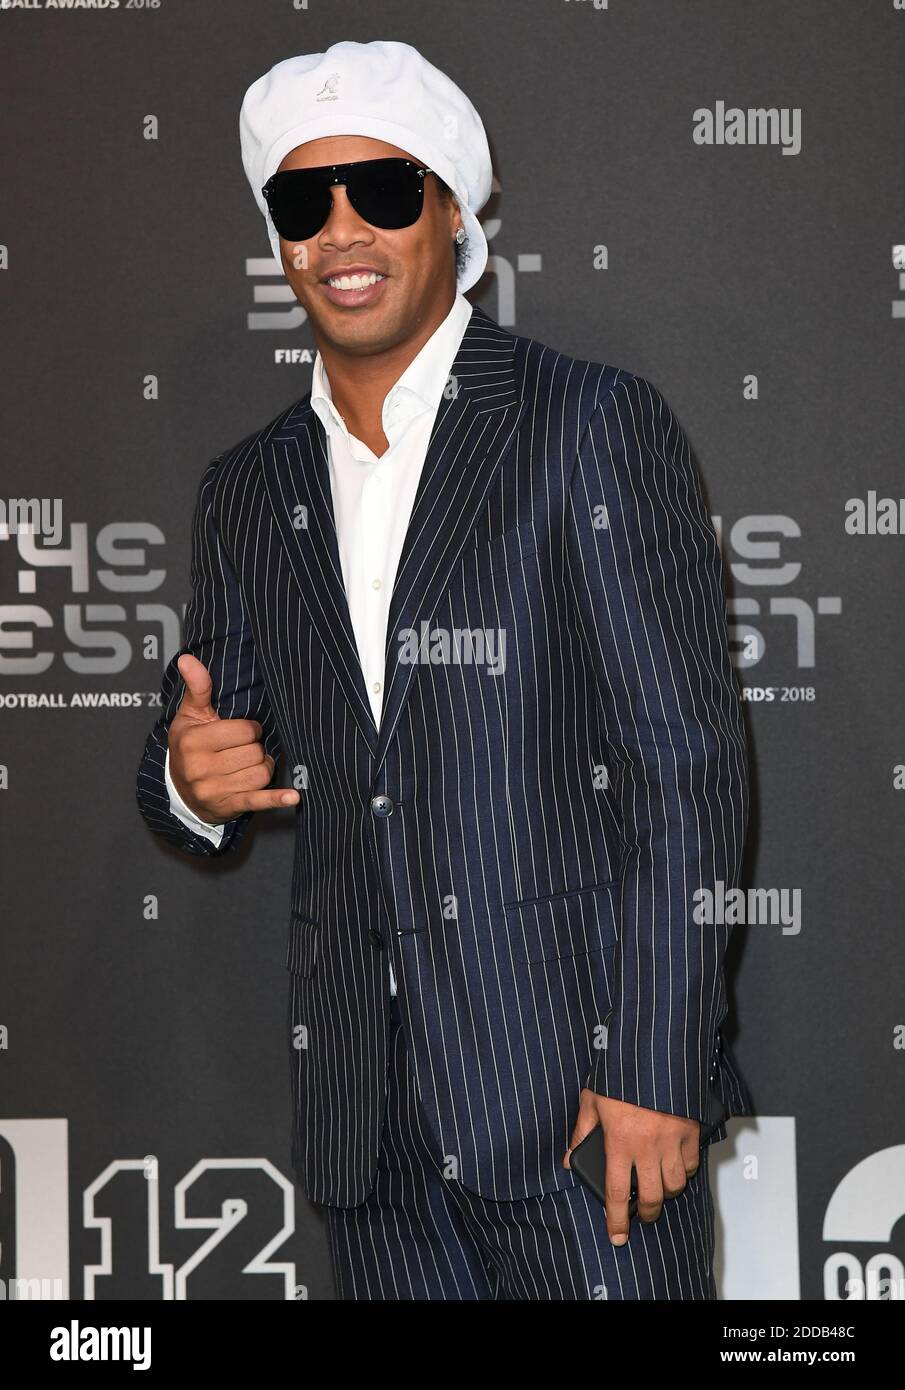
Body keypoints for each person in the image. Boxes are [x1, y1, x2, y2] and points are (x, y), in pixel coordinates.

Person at [136, 39, 754, 1301]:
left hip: (581, 1118)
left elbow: (682, 766)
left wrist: (651, 1065)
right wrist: (189, 778)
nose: (342, 228)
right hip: (369, 1132)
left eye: (382, 187)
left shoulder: (585, 424)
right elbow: (204, 751)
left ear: (454, 214)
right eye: (303, 203)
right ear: (279, 241)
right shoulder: (248, 488)